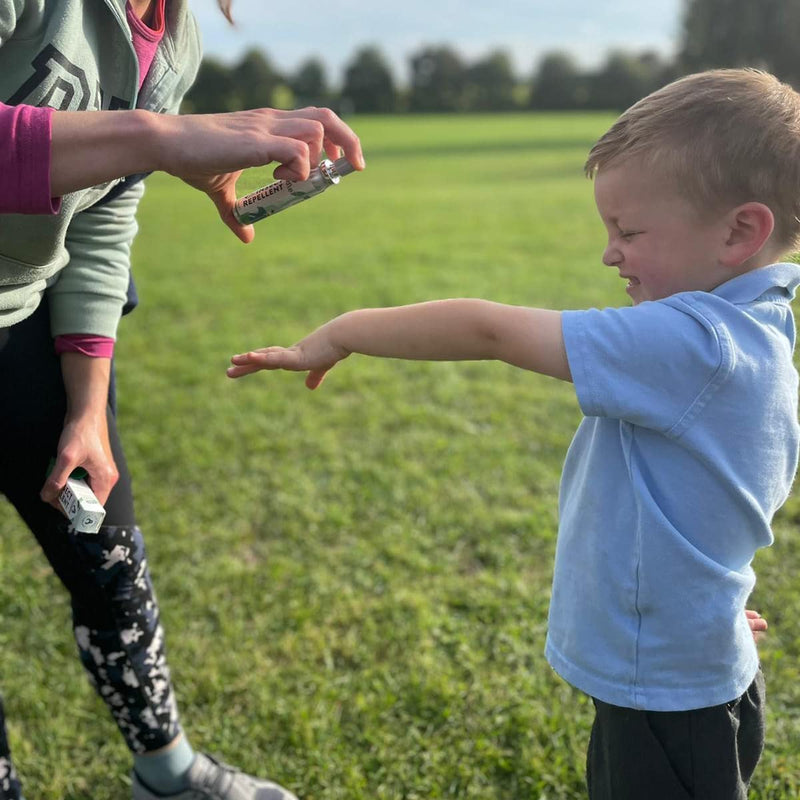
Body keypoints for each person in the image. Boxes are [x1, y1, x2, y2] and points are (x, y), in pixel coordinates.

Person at [228, 68, 797, 799]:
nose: (609, 253)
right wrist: (709, 612)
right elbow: (727, 484)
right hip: (692, 660)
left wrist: (344, 333)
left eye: (628, 231)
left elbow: (490, 330)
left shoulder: (695, 341)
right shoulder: (762, 322)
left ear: (740, 231)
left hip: (668, 688)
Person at [0, 0, 363, 798]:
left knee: (109, 560)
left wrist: (87, 408)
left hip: (21, 322)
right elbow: (133, 152)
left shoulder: (175, 37)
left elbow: (99, 224)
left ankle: (168, 776)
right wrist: (153, 138)